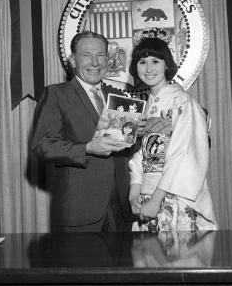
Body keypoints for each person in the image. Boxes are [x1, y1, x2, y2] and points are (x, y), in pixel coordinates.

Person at [32, 31, 133, 232]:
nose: (95, 62)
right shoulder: (55, 94)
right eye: (86, 55)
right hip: (79, 209)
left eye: (101, 55)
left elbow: (127, 147)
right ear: (73, 60)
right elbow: (42, 146)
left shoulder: (119, 96)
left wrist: (139, 132)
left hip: (121, 209)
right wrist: (87, 148)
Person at [127, 37, 217, 232]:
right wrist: (134, 193)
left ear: (167, 64)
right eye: (142, 62)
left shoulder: (182, 102)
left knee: (176, 255)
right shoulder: (146, 106)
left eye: (155, 61)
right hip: (147, 194)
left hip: (173, 195)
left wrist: (157, 199)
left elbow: (182, 155)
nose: (148, 69)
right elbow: (139, 154)